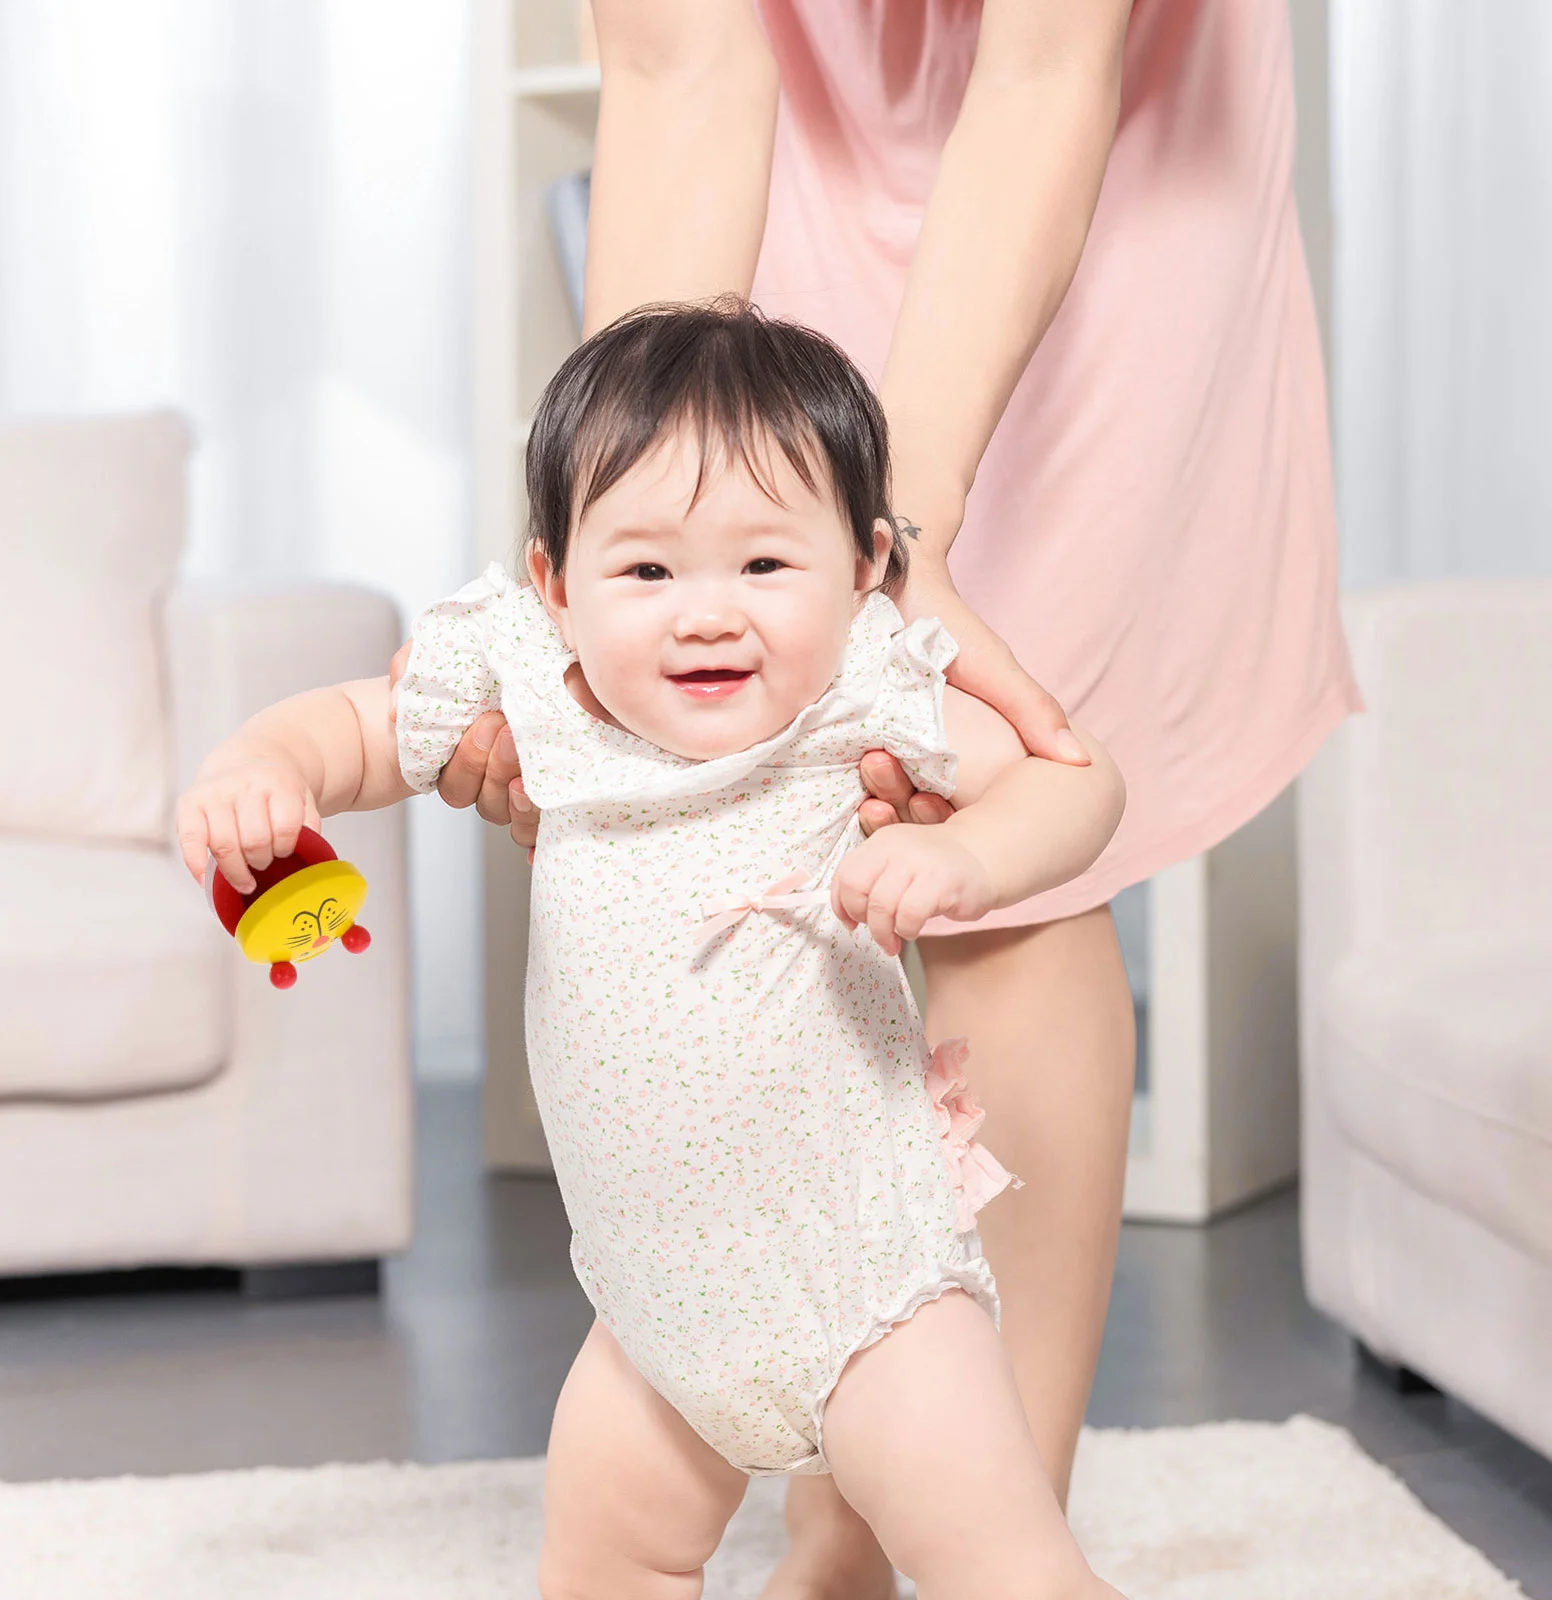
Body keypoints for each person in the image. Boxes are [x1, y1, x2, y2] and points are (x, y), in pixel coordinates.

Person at [412, 3, 1361, 1594]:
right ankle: (849, 1504)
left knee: (985, 803)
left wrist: (892, 541)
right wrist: (629, 533)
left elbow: (1052, 67)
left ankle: (977, 1515)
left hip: (1100, 141)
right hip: (807, 127)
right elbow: (678, 63)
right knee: (752, 741)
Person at [182, 303, 1128, 1598]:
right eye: (648, 573)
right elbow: (353, 731)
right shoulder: (528, 680)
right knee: (605, 1562)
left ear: (861, 571)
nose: (707, 617)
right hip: (655, 1314)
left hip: (869, 1294)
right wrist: (258, 770)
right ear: (554, 583)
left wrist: (966, 857)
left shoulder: (863, 690)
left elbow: (1076, 787)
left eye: (763, 567)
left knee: (1000, 1565)